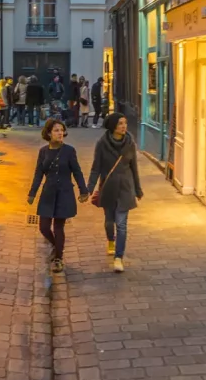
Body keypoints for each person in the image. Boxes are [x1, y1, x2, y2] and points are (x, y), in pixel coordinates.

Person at [28, 118, 89, 274]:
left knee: (58, 227)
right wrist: (32, 193)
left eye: (61, 130)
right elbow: (38, 173)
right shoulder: (43, 152)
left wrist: (83, 190)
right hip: (48, 193)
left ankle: (58, 258)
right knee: (43, 227)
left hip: (64, 193)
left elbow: (77, 171)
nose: (60, 133)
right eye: (56, 130)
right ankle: (57, 246)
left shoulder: (69, 151)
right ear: (49, 133)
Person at [87, 112, 143, 273]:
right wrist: (89, 188)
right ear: (113, 126)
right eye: (120, 124)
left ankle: (119, 257)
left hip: (125, 187)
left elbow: (134, 167)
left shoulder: (130, 143)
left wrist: (137, 189)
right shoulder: (102, 144)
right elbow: (96, 168)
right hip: (108, 187)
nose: (124, 126)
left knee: (122, 224)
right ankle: (110, 239)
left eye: (125, 123)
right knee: (109, 222)